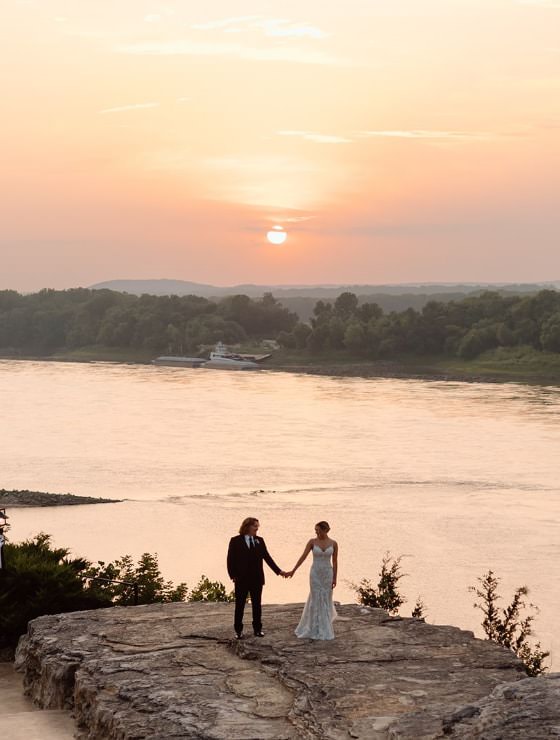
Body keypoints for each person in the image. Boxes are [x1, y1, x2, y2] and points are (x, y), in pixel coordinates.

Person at [227, 517, 286, 639]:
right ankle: (238, 631)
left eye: (257, 526)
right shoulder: (235, 541)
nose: (257, 528)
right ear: (247, 526)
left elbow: (267, 558)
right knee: (240, 605)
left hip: (257, 579)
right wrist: (233, 576)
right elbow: (230, 560)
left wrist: (279, 572)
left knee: (257, 605)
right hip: (241, 579)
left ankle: (257, 629)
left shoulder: (260, 540)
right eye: (255, 526)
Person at [287, 521, 338, 640]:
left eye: (318, 530)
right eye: (315, 530)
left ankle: (325, 628)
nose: (316, 532)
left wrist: (335, 577)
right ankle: (312, 628)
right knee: (315, 598)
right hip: (315, 573)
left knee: (326, 598)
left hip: (327, 574)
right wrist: (293, 570)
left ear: (325, 530)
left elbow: (335, 562)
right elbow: (303, 557)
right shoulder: (312, 542)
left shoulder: (334, 543)